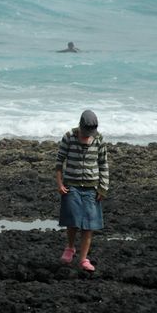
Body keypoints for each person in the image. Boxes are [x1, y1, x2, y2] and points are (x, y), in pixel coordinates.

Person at [55, 109, 109, 272]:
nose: (87, 135)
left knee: (89, 225)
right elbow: (59, 162)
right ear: (80, 126)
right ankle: (70, 247)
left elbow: (103, 164)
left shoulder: (99, 140)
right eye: (85, 132)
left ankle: (83, 259)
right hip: (71, 185)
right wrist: (59, 184)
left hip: (92, 188)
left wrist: (103, 187)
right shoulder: (68, 137)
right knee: (72, 220)